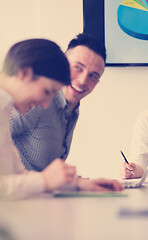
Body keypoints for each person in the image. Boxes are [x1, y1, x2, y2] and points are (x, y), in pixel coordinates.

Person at [0, 38, 123, 199]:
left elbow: (18, 174)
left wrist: (76, 184)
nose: (45, 104)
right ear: (24, 74)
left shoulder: (6, 109)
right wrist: (44, 181)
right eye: (46, 91)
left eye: (93, 75)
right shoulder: (15, 110)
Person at [10, 33, 106, 171]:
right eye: (78, 67)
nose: (83, 80)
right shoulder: (38, 100)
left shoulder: (73, 110)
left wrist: (75, 184)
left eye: (93, 75)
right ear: (63, 64)